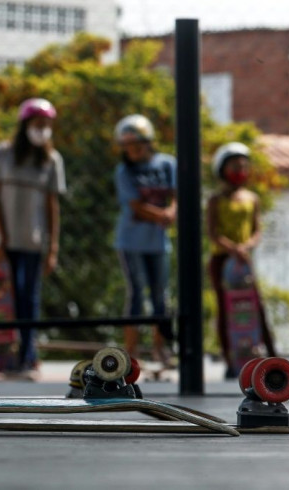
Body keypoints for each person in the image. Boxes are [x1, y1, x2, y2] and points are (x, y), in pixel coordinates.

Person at [0, 98, 66, 377]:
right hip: (5, 242)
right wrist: (2, 235)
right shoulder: (4, 153)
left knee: (29, 298)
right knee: (4, 301)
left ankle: (28, 355)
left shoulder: (52, 160)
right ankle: (5, 355)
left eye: (47, 125)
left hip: (34, 240)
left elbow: (53, 206)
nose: (42, 129)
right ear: (25, 125)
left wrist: (52, 247)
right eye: (37, 124)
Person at [206, 142, 276, 379]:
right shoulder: (216, 200)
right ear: (223, 169)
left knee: (257, 307)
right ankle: (230, 360)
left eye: (244, 166)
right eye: (235, 165)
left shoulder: (252, 198)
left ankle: (272, 355)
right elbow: (212, 232)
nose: (240, 170)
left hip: (243, 262)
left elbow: (257, 230)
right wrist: (232, 248)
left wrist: (245, 247)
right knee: (225, 310)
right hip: (222, 260)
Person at [112, 114, 177, 364]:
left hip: (158, 242)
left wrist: (172, 211)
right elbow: (135, 206)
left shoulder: (167, 164)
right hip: (131, 242)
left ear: (148, 142)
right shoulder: (124, 171)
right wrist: (163, 215)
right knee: (137, 293)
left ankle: (160, 350)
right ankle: (131, 352)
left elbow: (175, 195)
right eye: (127, 147)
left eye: (137, 145)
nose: (132, 151)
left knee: (161, 295)